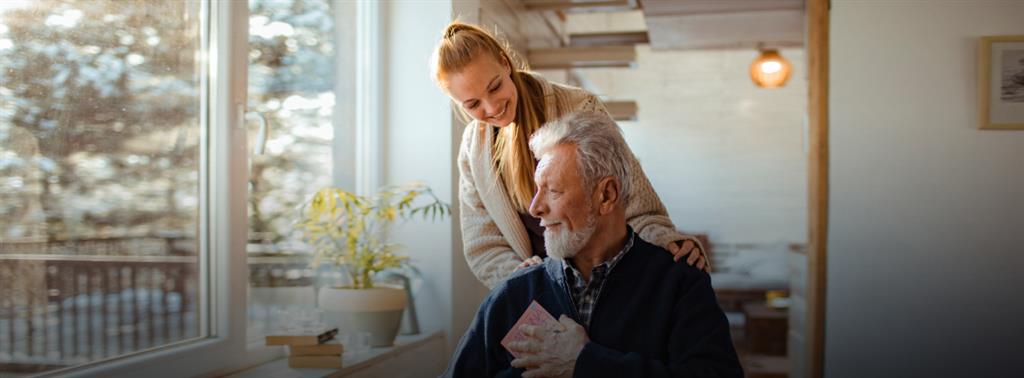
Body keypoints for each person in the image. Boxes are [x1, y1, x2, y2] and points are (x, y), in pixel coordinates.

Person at [444, 111, 742, 378]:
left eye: (553, 191)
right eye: (537, 190)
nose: (535, 208)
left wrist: (587, 364)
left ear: (606, 195)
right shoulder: (515, 293)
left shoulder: (680, 285)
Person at [430, 21, 709, 289]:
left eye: (495, 87)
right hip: (537, 290)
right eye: (473, 104)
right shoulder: (472, 150)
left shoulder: (580, 107)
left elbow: (631, 196)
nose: (492, 107)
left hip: (607, 276)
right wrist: (520, 279)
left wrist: (666, 239)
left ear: (505, 63)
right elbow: (483, 244)